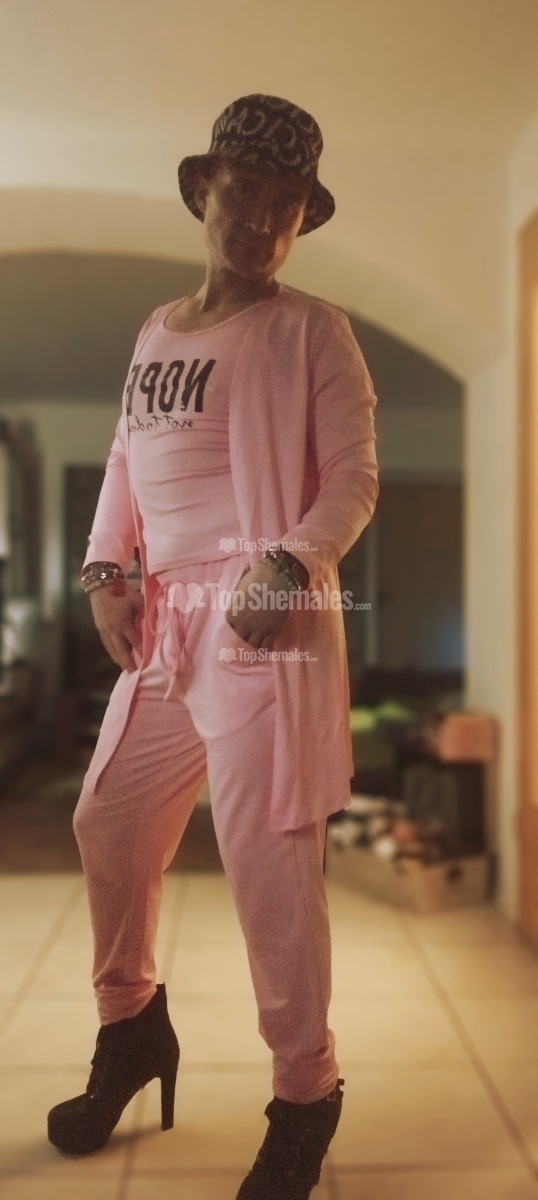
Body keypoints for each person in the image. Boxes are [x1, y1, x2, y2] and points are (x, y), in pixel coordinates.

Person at [47, 94, 379, 1199]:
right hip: (162, 624)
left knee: (267, 864)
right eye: (244, 193)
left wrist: (290, 561)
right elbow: (125, 460)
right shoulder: (156, 329)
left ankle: (306, 1093)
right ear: (203, 191)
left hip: (257, 614)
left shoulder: (312, 330)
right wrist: (104, 570)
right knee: (108, 820)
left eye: (286, 206)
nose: (262, 221)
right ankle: (132, 1027)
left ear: (301, 220)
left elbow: (354, 479)